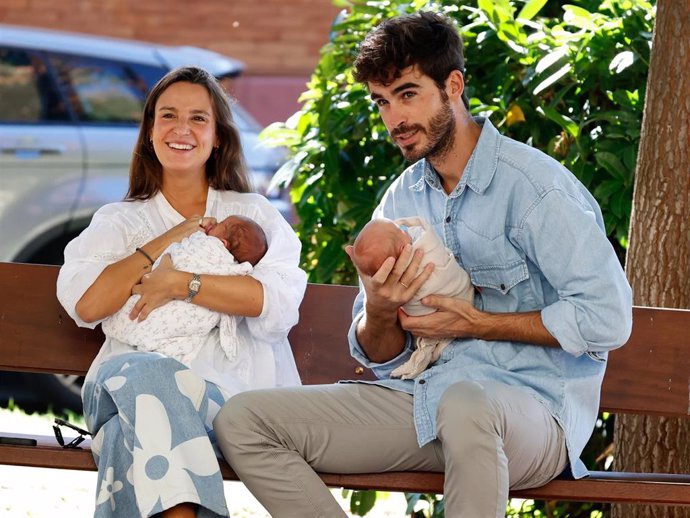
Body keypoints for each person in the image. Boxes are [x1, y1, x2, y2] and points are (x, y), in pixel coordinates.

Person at [213, 11, 632, 517]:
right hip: (423, 402)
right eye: (382, 102)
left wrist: (477, 323)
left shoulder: (536, 189)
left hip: (534, 416)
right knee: (243, 420)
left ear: (453, 85)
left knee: (466, 401)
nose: (394, 120)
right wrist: (381, 309)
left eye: (407, 95)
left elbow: (608, 317)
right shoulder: (401, 200)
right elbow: (378, 353)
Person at [56, 66, 306, 518]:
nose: (182, 129)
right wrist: (164, 243)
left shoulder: (252, 216)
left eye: (198, 119)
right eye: (168, 116)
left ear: (218, 138)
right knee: (149, 376)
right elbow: (88, 304)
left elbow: (274, 304)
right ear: (150, 132)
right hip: (119, 386)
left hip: (229, 406)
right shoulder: (118, 222)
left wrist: (181, 284)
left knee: (121, 438)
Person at [101, 215, 269, 371]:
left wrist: (170, 271)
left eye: (221, 225)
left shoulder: (206, 245)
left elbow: (177, 253)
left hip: (186, 311)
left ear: (222, 244)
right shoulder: (235, 270)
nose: (214, 223)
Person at [350, 216, 474, 378]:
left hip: (488, 371)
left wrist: (475, 323)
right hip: (409, 386)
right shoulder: (391, 206)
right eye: (400, 231)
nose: (405, 231)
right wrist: (378, 311)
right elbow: (384, 364)